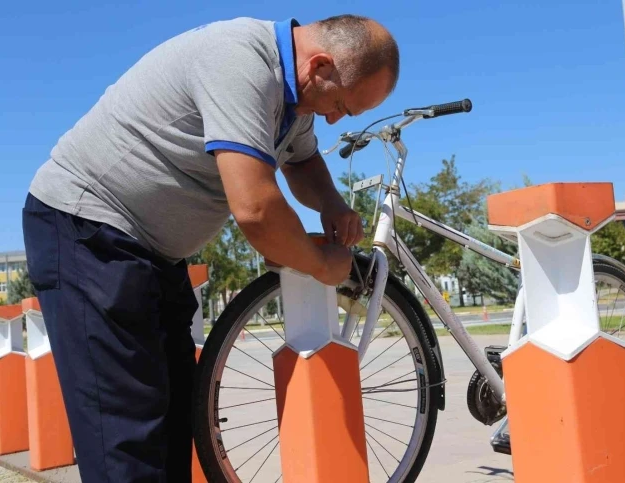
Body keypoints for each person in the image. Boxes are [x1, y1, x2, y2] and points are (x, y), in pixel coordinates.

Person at [21, 13, 399, 482]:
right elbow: (256, 211)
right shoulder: (240, 61)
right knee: (127, 434)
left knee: (179, 417)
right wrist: (322, 264)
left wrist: (333, 205)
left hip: (152, 253)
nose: (334, 117)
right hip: (87, 231)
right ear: (319, 65)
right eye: (341, 103)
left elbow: (302, 163)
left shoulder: (293, 100)